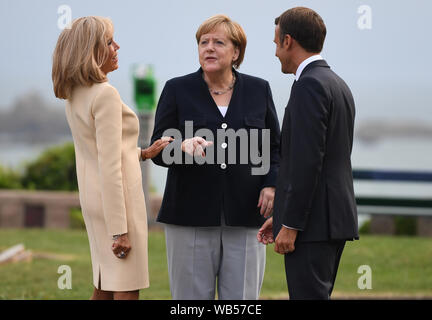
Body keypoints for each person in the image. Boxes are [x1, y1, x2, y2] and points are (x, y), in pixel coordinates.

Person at [150, 14, 280, 300]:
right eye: (203, 42)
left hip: (247, 216)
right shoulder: (176, 89)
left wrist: (271, 184)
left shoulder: (259, 90)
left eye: (218, 42)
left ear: (236, 52)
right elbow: (156, 149)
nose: (208, 48)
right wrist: (179, 146)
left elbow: (275, 147)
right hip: (189, 216)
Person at [52, 16, 171, 300]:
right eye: (109, 42)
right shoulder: (105, 94)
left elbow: (98, 152)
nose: (117, 46)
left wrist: (142, 153)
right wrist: (121, 230)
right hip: (118, 206)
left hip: (95, 201)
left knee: (104, 286)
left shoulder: (75, 94)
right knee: (126, 288)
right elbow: (109, 165)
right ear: (91, 51)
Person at [257, 7, 359, 300]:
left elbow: (307, 162)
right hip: (330, 221)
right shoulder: (337, 83)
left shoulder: (309, 86)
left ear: (288, 41)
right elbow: (326, 160)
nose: (275, 52)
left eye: (276, 43)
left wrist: (290, 224)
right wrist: (281, 216)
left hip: (312, 226)